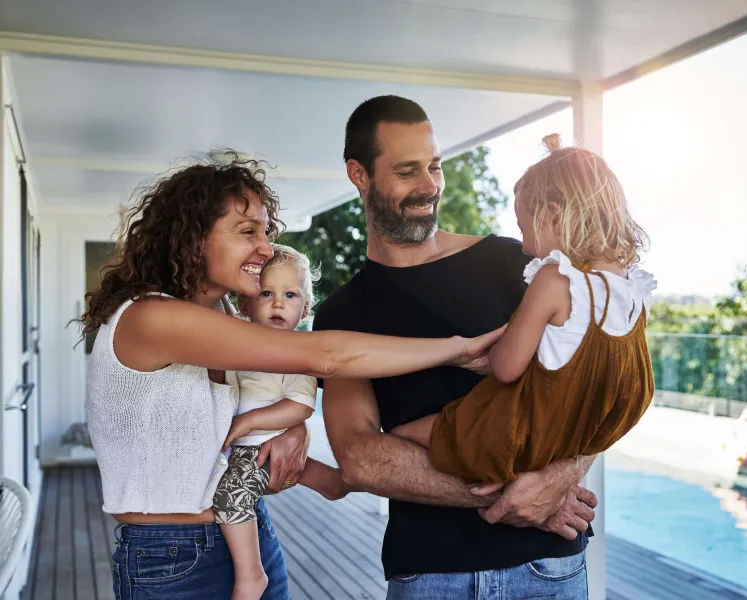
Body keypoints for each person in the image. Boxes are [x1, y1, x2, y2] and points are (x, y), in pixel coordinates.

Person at [81, 154, 502, 600]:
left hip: (246, 529)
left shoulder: (225, 312)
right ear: (192, 238)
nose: (265, 248)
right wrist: (459, 349)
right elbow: (323, 356)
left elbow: (243, 406)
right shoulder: (153, 318)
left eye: (266, 231)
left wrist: (293, 426)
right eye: (247, 232)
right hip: (171, 557)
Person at [313, 95, 599, 600]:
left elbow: (598, 382)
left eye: (435, 166)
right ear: (359, 175)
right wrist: (519, 494)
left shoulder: (519, 265)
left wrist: (563, 474)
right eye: (407, 171)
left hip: (547, 568)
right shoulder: (341, 314)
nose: (429, 186)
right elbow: (361, 457)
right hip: (429, 573)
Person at [392, 133, 657, 485]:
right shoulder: (635, 287)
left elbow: (505, 368)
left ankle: (491, 471)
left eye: (523, 228)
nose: (526, 246)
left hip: (521, 435)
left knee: (403, 433)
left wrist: (488, 348)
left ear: (553, 214)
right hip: (574, 437)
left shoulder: (556, 279)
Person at [214, 243, 350, 600]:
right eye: (266, 293)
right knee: (310, 475)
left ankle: (250, 575)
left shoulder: (296, 353)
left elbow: (302, 406)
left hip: (256, 445)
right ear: (245, 303)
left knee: (230, 495)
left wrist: (248, 422)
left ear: (305, 307)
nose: (278, 303)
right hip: (247, 446)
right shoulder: (239, 337)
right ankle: (332, 482)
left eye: (290, 295)